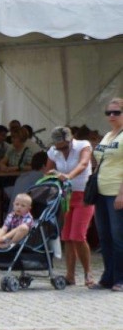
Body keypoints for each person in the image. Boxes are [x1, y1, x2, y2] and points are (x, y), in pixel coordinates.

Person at [44, 126, 95, 286]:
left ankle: (88, 273)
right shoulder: (53, 150)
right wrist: (51, 177)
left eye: (65, 147)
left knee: (78, 236)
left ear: (71, 139)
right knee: (67, 236)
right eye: (59, 148)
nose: (62, 150)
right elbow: (48, 170)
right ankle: (70, 275)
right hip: (66, 195)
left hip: (84, 195)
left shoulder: (83, 145)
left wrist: (67, 176)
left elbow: (83, 164)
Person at [90, 97, 123, 291]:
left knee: (119, 236)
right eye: (108, 113)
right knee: (104, 236)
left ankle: (120, 278)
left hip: (116, 191)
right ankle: (107, 276)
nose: (111, 116)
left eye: (116, 112)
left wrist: (121, 193)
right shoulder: (108, 135)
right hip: (101, 192)